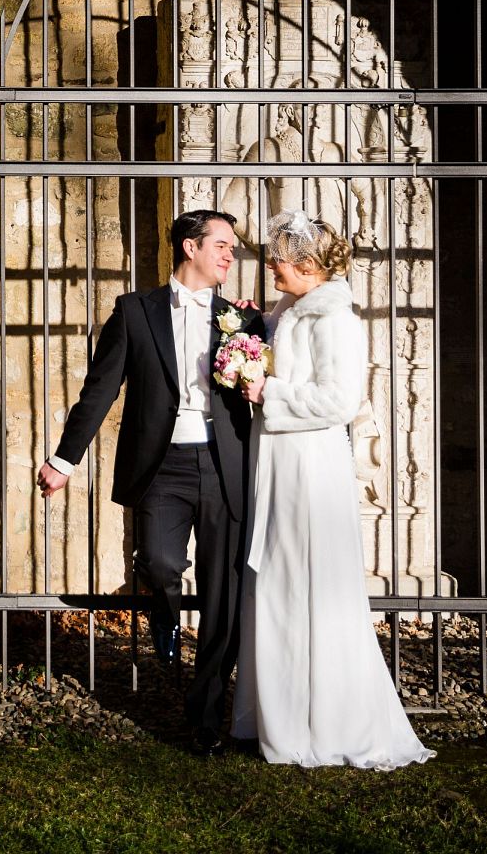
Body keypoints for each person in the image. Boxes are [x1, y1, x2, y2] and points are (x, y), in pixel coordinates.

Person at [38, 209, 266, 757]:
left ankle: (205, 716)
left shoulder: (243, 320)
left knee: (223, 599)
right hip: (161, 466)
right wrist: (64, 461)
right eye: (222, 244)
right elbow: (99, 391)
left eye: (232, 247)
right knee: (160, 563)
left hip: (223, 467)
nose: (230, 255)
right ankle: (162, 608)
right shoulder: (134, 311)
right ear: (189, 247)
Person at [229, 209, 434, 769]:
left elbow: (338, 400)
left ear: (307, 265)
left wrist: (268, 391)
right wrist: (251, 336)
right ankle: (279, 715)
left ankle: (325, 719)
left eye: (279, 256)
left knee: (309, 580)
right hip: (279, 458)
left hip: (310, 466)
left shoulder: (334, 317)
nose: (270, 262)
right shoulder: (290, 309)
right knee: (277, 579)